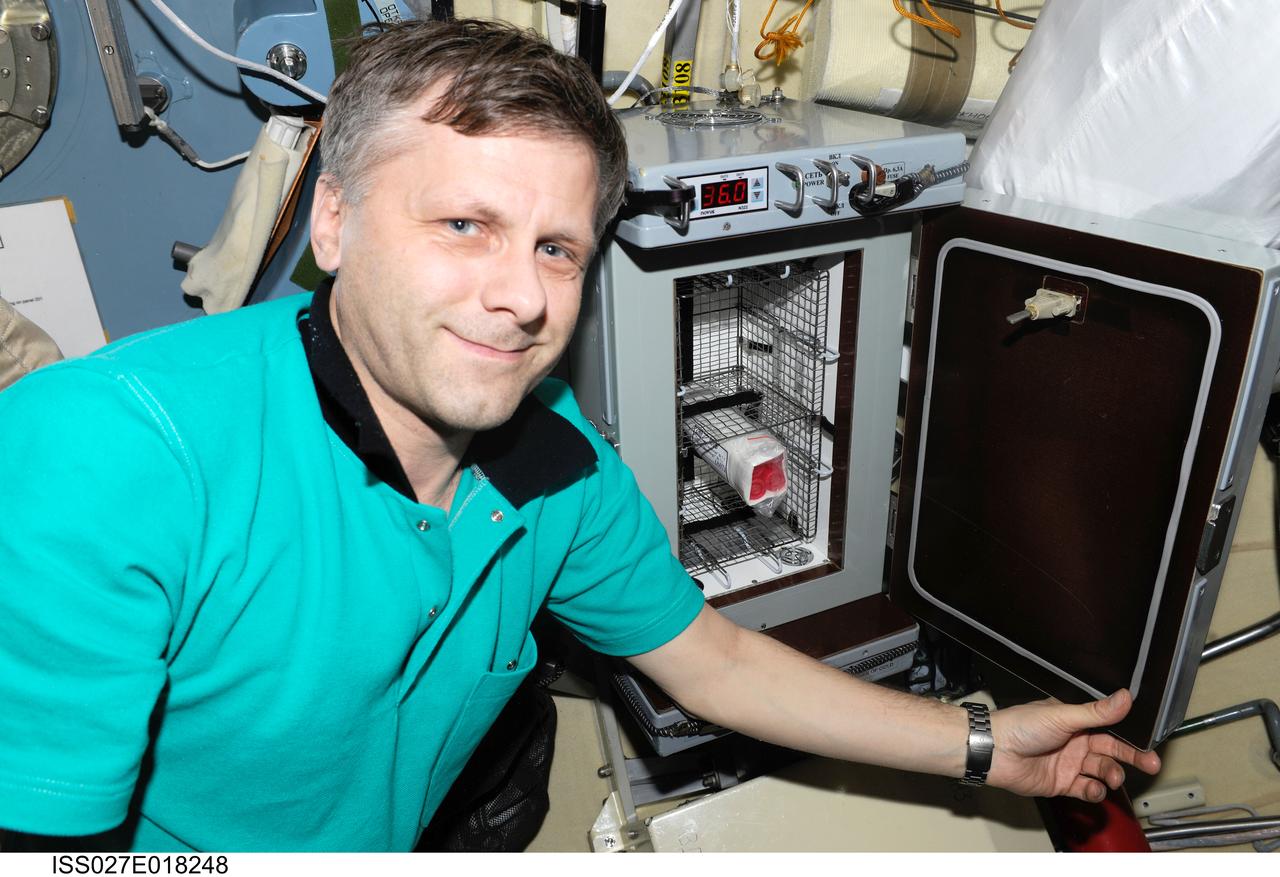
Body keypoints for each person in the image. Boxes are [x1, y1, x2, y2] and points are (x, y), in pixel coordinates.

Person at [0, 18, 1159, 852]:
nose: (522, 297)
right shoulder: (105, 454)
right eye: (464, 224)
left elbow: (714, 663)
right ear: (336, 223)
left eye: (556, 248)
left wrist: (980, 743)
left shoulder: (557, 464)